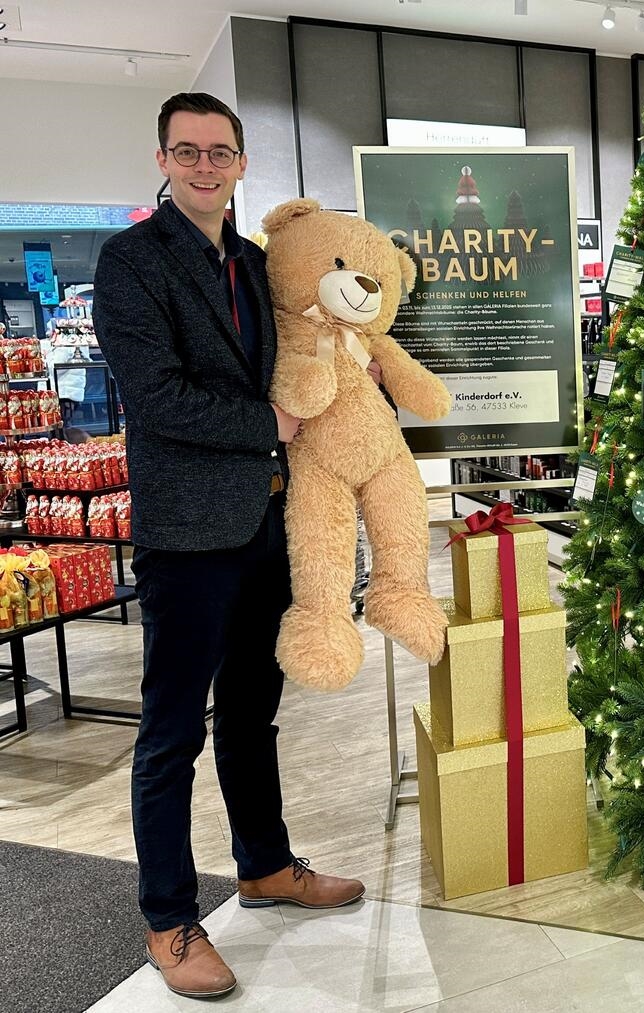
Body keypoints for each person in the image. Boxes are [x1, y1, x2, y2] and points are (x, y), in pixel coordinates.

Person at [93, 92, 365, 1000]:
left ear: (243, 163)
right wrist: (271, 422)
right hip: (186, 534)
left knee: (253, 714)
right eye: (188, 151)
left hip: (267, 522)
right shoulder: (130, 260)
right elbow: (155, 394)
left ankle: (265, 865)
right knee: (172, 731)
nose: (206, 166)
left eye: (221, 152)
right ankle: (168, 919)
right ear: (164, 160)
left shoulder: (256, 263)